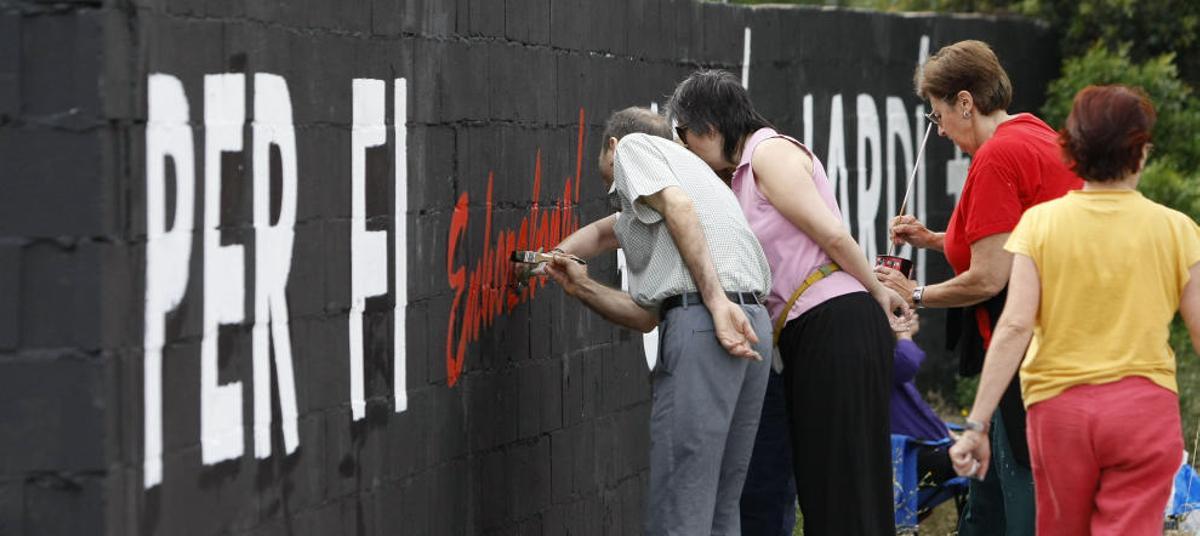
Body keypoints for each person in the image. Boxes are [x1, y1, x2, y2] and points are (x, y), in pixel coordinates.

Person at [668, 70, 910, 536]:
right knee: (824, 484)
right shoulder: (736, 179)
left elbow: (832, 233)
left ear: (709, 129)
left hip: (834, 321)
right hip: (807, 333)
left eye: (686, 138)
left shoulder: (768, 152)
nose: (687, 152)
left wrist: (879, 293)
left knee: (845, 481)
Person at [949, 84, 1200, 534]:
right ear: (1140, 153)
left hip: (1060, 412)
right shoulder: (1177, 230)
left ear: (1072, 150)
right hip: (1142, 411)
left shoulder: (1039, 226)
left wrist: (976, 423)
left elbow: (1014, 327)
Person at [875, 39, 1083, 535]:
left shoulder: (996, 157)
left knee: (1022, 490)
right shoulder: (1033, 133)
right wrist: (930, 239)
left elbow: (992, 276)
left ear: (965, 102)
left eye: (938, 113)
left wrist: (916, 295)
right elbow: (1007, 239)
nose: (940, 128)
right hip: (1064, 338)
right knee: (990, 487)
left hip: (1030, 351)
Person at [544, 106, 773, 536]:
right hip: (751, 321)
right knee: (721, 500)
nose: (612, 184)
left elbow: (678, 207)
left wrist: (715, 302)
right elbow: (642, 307)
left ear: (613, 146)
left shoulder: (634, 148)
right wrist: (571, 277)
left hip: (711, 320)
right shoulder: (686, 187)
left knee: (681, 494)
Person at [891, 315, 957, 513]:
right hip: (914, 454)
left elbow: (920, 411)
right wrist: (904, 333)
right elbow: (906, 363)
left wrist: (950, 434)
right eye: (903, 310)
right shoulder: (881, 356)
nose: (914, 314)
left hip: (930, 447)